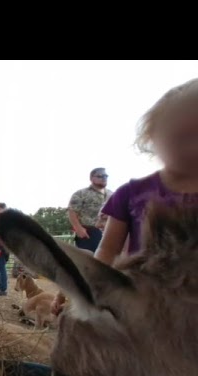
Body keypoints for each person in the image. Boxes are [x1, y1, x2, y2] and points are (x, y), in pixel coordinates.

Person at [53, 77, 198, 315]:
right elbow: (108, 251)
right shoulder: (132, 194)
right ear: (155, 138)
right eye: (181, 136)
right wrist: (90, 293)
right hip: (145, 302)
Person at [67, 167, 113, 253]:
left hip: (109, 231)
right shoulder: (81, 193)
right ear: (91, 178)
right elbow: (72, 211)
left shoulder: (112, 194)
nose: (104, 178)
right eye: (100, 176)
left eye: (106, 176)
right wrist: (78, 228)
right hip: (89, 233)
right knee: (90, 260)